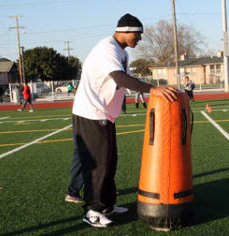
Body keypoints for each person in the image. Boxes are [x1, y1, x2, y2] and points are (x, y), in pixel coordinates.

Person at [71, 13, 177, 228]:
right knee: (98, 165)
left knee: (110, 162)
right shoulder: (106, 47)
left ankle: (107, 204)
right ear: (125, 31)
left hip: (105, 115)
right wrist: (153, 90)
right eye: (137, 35)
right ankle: (92, 210)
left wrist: (150, 88)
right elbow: (119, 78)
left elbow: (127, 80)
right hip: (91, 113)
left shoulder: (122, 52)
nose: (140, 39)